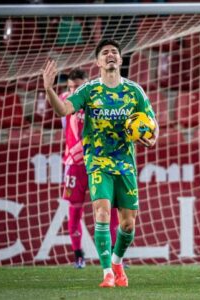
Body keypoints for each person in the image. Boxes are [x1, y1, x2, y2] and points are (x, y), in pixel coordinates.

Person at [42, 39, 158, 288]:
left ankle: (117, 262)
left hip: (125, 164)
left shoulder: (134, 91)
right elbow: (63, 110)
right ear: (98, 62)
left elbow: (151, 123)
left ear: (121, 60)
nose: (110, 55)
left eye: (114, 52)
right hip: (97, 163)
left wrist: (152, 138)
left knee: (128, 224)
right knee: (102, 213)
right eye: (105, 53)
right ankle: (107, 273)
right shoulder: (89, 90)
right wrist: (50, 89)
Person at [60, 68, 120, 269]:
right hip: (74, 165)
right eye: (70, 87)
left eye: (77, 87)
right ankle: (78, 255)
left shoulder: (99, 102)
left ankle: (112, 257)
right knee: (74, 211)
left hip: (99, 164)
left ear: (86, 85)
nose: (73, 90)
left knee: (108, 209)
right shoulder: (65, 100)